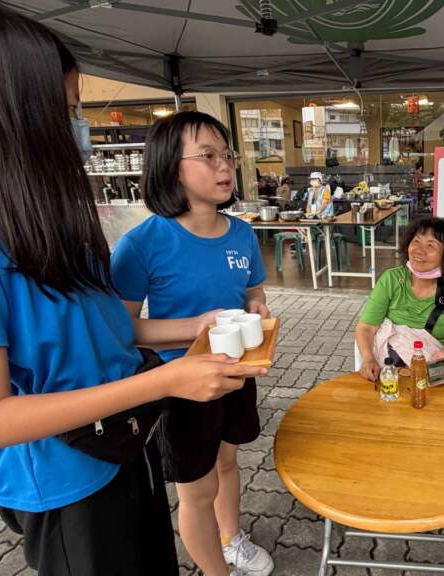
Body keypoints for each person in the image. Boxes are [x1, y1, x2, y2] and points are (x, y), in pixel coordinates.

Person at [0, 2, 265, 574]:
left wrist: (194, 328)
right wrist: (167, 378)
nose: (79, 128)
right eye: (66, 110)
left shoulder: (41, 218)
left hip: (122, 449)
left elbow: (111, 331)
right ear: (8, 111)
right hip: (65, 485)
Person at [111, 111, 274, 576]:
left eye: (227, 154)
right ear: (169, 166)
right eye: (207, 155)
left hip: (237, 371)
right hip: (181, 386)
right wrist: (195, 326)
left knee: (227, 460)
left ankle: (232, 539)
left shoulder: (241, 232)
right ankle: (215, 571)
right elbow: (125, 329)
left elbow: (253, 292)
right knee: (195, 490)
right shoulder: (142, 244)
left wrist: (259, 309)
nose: (224, 166)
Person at [356, 217, 444, 381]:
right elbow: (367, 328)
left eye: (430, 245)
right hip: (387, 365)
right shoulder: (391, 280)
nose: (419, 250)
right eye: (416, 241)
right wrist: (368, 359)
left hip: (433, 365)